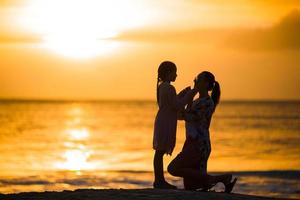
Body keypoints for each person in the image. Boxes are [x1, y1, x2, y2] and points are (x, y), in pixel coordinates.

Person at [167, 71, 237, 192]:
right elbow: (181, 115)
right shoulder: (196, 101)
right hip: (191, 142)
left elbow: (187, 116)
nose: (195, 81)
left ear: (205, 84)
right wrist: (187, 99)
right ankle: (217, 180)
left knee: (173, 168)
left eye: (198, 79)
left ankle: (218, 178)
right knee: (191, 187)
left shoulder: (207, 103)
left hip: (198, 144)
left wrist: (184, 98)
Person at [153, 61, 197, 189]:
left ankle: (159, 180)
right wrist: (190, 94)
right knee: (159, 152)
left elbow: (172, 102)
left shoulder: (163, 86)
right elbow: (177, 105)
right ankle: (159, 181)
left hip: (163, 120)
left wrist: (183, 93)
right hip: (166, 122)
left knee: (159, 152)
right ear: (168, 73)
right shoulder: (169, 87)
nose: (176, 75)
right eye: (174, 72)